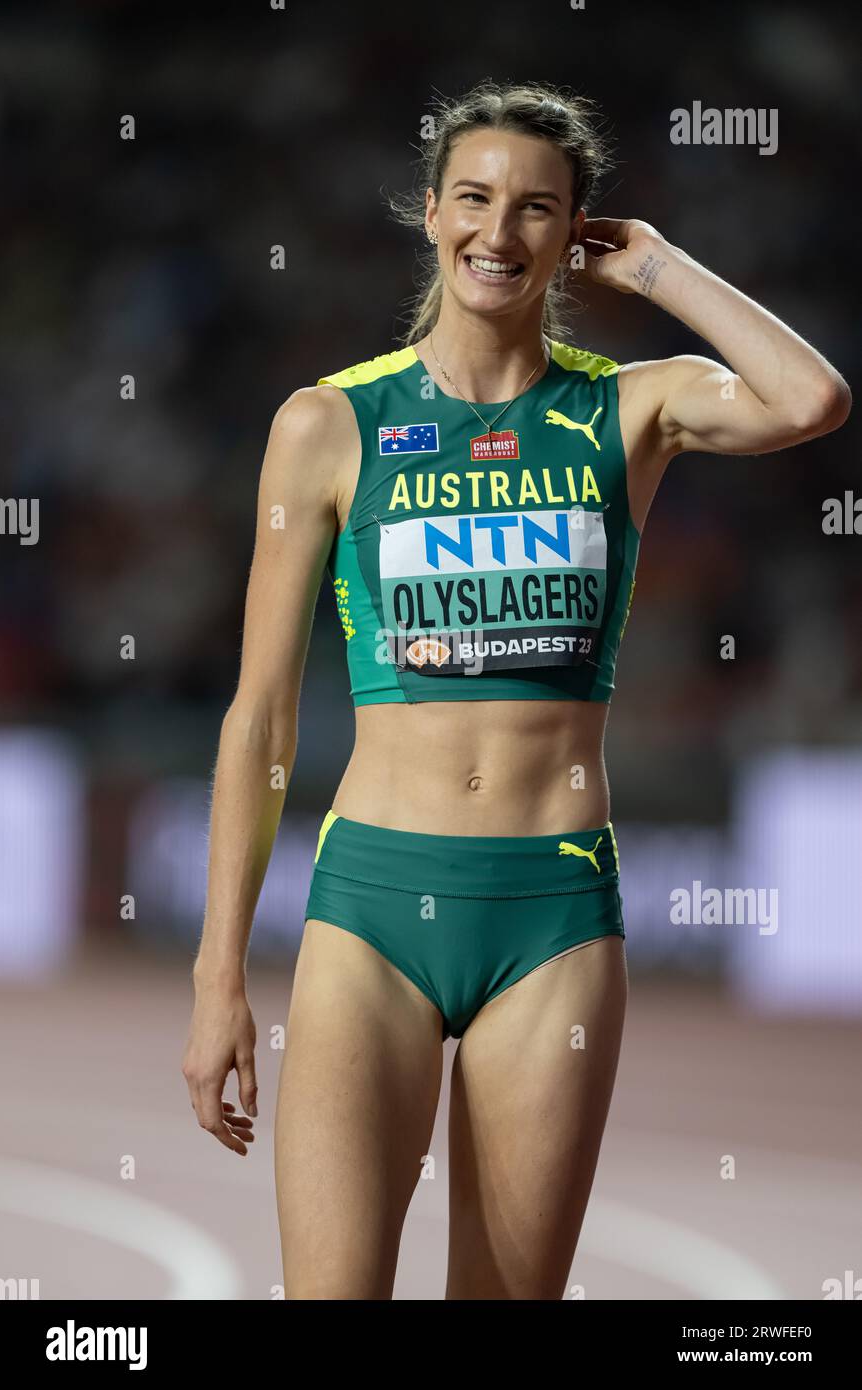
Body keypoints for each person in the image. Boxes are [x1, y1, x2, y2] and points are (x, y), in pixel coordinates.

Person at [182, 81, 851, 1299]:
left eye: (537, 210)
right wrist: (217, 973)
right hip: (371, 905)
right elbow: (260, 717)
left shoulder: (627, 407)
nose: (499, 235)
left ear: (574, 233)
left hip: (552, 920)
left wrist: (657, 269)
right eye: (475, 200)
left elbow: (810, 401)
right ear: (430, 213)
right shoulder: (329, 424)